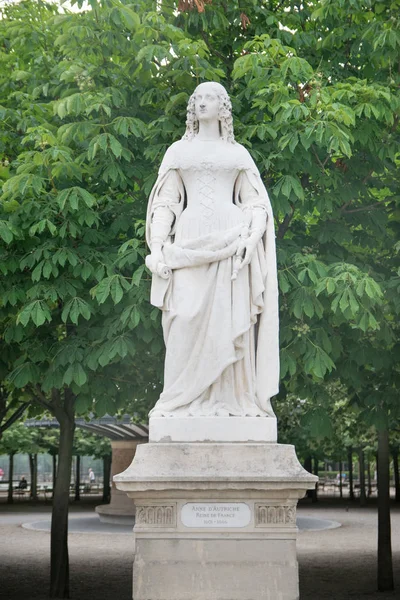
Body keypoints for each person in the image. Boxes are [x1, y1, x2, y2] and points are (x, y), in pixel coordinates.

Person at [146, 81, 279, 418]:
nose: (203, 103)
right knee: (182, 318)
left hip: (231, 241)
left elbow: (255, 204)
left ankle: (230, 400)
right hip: (189, 242)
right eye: (198, 98)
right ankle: (182, 400)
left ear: (223, 107)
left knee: (229, 319)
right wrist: (159, 246)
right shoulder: (178, 151)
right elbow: (166, 201)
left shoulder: (238, 154)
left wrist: (252, 237)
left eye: (210, 97)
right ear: (192, 107)